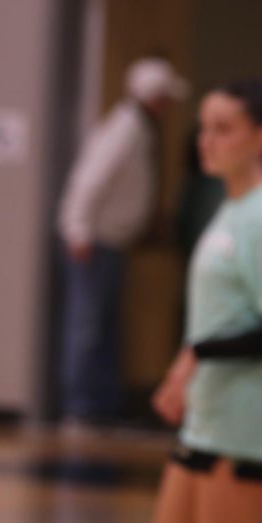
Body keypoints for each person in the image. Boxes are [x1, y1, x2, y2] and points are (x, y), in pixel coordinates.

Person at [147, 81, 262, 523]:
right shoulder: (232, 207)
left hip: (246, 423)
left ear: (261, 138)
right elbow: (218, 318)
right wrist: (184, 367)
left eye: (223, 129)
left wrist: (198, 354)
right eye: (204, 128)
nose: (206, 140)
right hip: (206, 417)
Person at [57, 57, 188, 425]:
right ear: (153, 97)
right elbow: (89, 182)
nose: (170, 107)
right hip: (94, 241)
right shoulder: (124, 129)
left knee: (105, 326)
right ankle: (81, 407)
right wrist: (78, 229)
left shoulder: (140, 128)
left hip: (113, 242)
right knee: (88, 327)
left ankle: (100, 403)